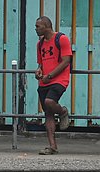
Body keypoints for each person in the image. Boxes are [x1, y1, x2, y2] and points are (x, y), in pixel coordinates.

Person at [33, 16, 72, 155]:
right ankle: (52, 146)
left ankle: (62, 112)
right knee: (48, 114)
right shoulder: (40, 43)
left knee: (49, 101)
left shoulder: (61, 39)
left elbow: (66, 61)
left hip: (58, 80)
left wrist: (50, 76)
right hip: (44, 81)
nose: (36, 29)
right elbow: (41, 63)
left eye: (38, 26)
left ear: (46, 26)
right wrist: (39, 71)